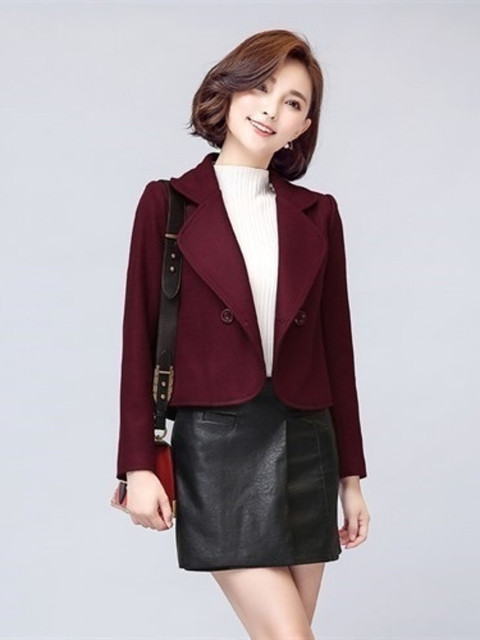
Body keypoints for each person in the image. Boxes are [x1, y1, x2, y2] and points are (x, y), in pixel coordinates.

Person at [115, 28, 370, 640]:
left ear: (302, 126)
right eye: (260, 87)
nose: (270, 109)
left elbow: (338, 349)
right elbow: (137, 339)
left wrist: (351, 478)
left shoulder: (319, 214)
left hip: (308, 442)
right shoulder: (167, 204)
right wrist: (137, 463)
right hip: (217, 447)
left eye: (292, 102)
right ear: (229, 90)